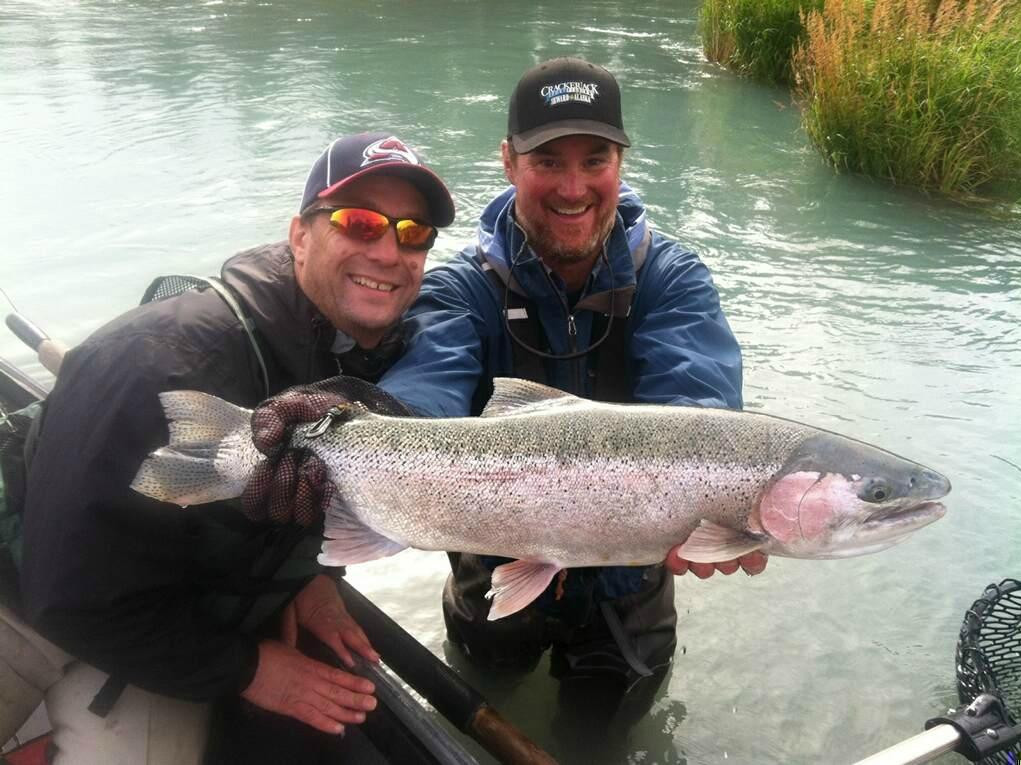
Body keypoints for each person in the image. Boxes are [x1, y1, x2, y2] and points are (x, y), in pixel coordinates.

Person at [17, 131, 455, 764]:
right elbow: (69, 599)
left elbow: (302, 494)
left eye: (413, 233)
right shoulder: (155, 364)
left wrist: (310, 577)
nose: (389, 250)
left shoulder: (365, 360)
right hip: (46, 612)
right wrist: (254, 669)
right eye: (360, 223)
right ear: (299, 236)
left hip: (178, 604)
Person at [376, 58, 766, 700]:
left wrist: (725, 509)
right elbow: (420, 396)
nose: (572, 187)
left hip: (629, 587)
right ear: (508, 162)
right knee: (482, 688)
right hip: (492, 566)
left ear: (622, 163)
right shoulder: (459, 291)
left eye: (595, 160)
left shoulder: (673, 279)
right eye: (548, 161)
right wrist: (367, 436)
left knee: (607, 724)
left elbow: (700, 410)